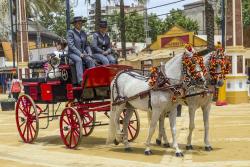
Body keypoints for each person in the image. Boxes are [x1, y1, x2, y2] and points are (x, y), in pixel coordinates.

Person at [67, 16, 95, 85]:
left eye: (81, 23)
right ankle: (80, 80)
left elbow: (86, 45)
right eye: (78, 23)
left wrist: (89, 52)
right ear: (74, 24)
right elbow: (71, 46)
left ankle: (93, 78)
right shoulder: (70, 32)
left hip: (83, 53)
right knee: (78, 60)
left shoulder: (83, 33)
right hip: (72, 53)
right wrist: (80, 54)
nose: (80, 24)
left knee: (90, 60)